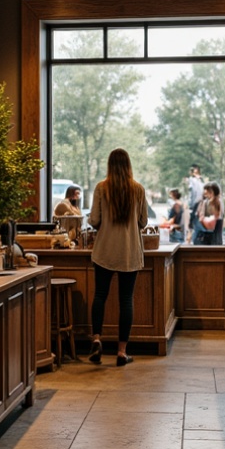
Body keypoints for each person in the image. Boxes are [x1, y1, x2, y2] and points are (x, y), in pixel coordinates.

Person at [87, 148, 150, 367]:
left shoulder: (101, 188)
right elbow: (143, 222)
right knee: (126, 300)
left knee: (100, 295)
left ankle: (96, 339)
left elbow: (94, 219)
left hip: (104, 250)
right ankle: (122, 352)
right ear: (129, 165)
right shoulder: (138, 189)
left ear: (109, 165)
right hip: (129, 251)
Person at [184, 164, 204, 245]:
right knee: (195, 223)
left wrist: (190, 204)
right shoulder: (199, 180)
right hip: (199, 203)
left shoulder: (193, 180)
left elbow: (192, 194)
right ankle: (192, 240)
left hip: (196, 204)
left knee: (192, 224)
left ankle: (190, 240)